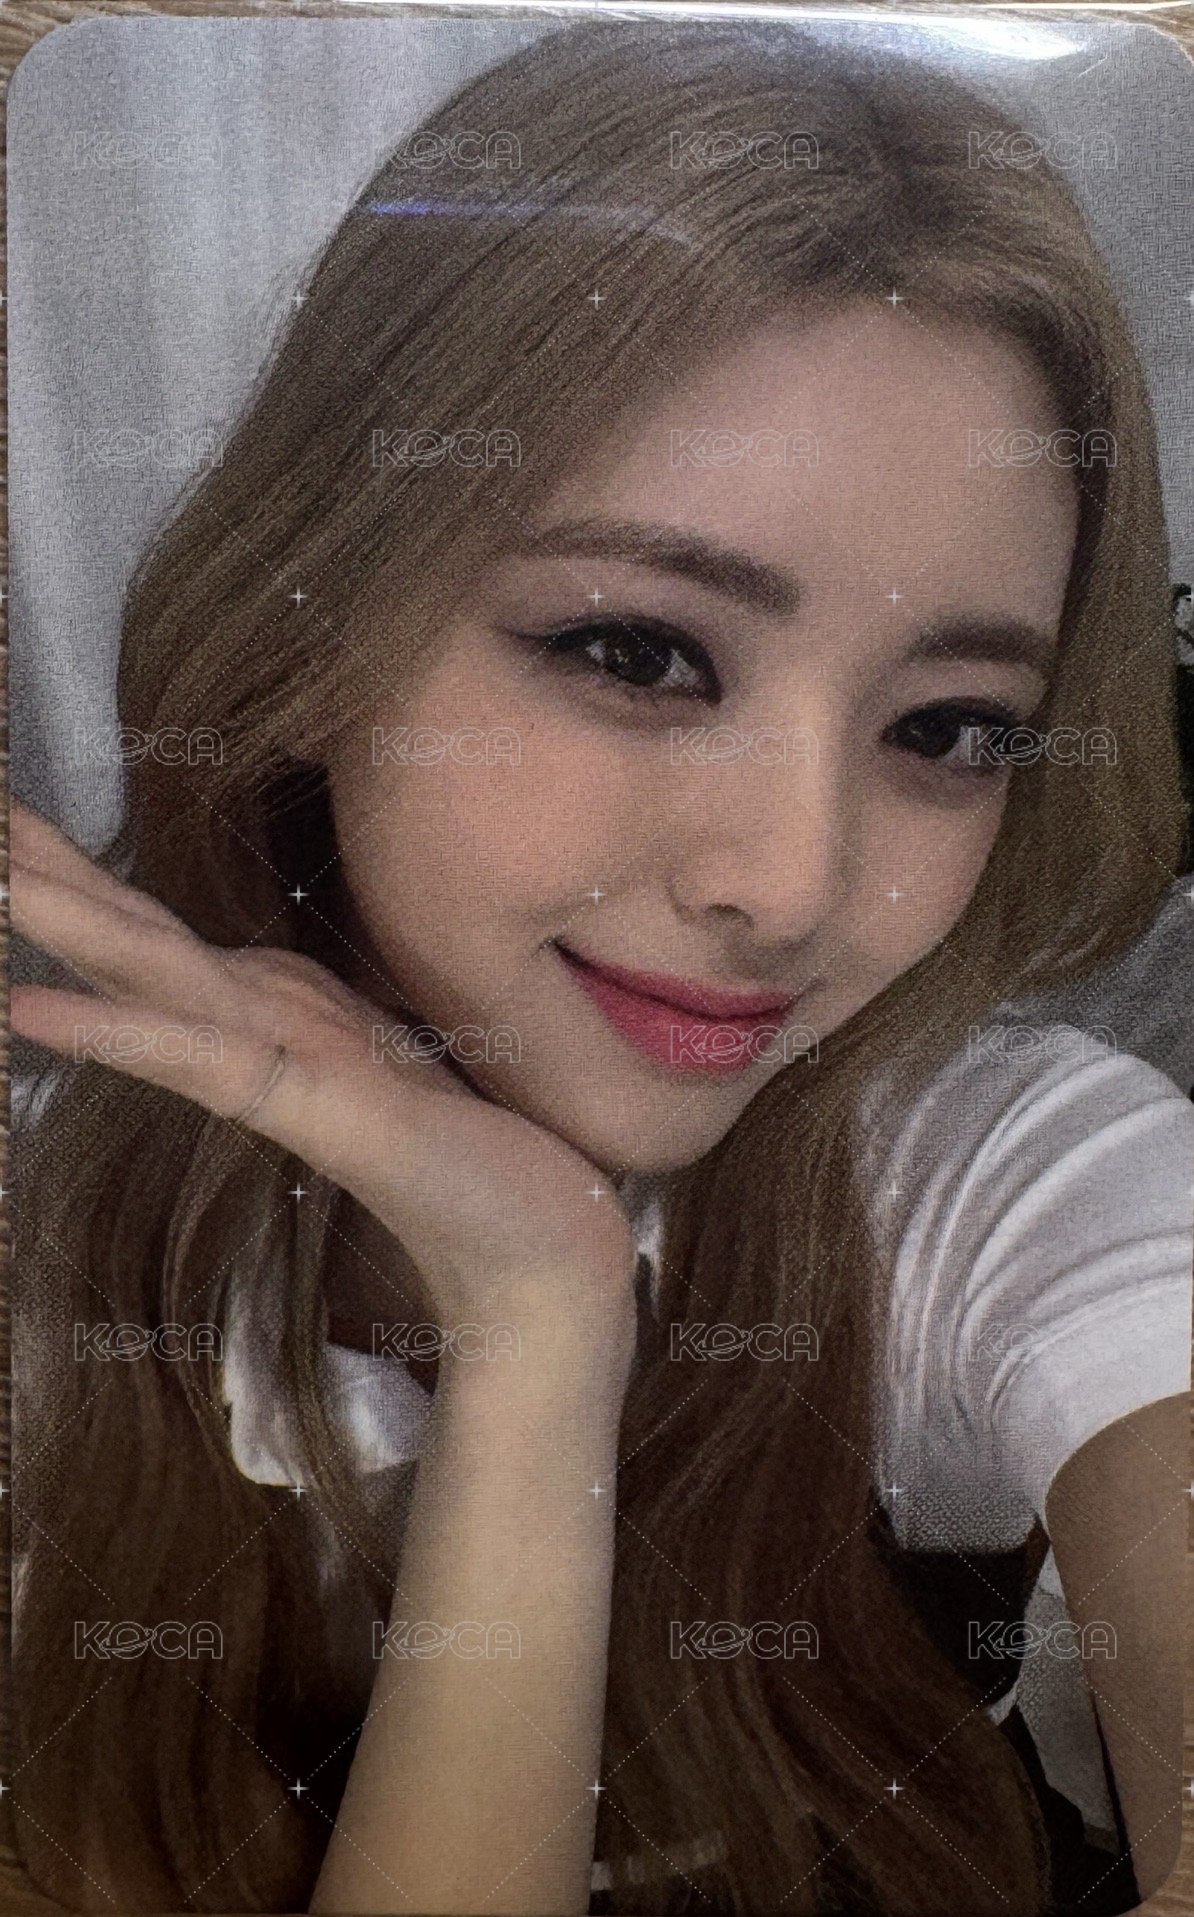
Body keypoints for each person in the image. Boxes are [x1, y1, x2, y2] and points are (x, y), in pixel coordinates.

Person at [7, 18, 1191, 1915]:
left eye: (949, 728)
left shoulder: (1005, 1188)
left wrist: (536, 1309)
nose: (787, 887)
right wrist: (532, 1320)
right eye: (638, 652)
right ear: (313, 621)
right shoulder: (47, 1250)